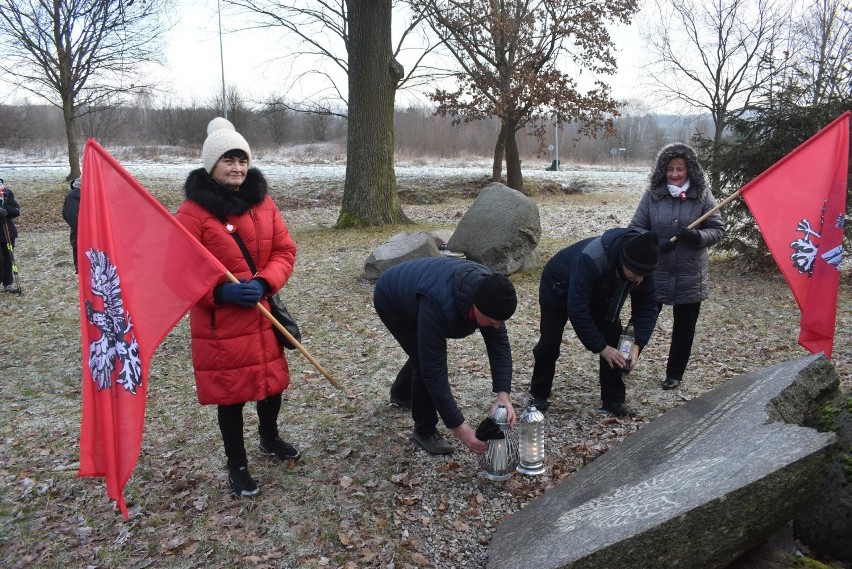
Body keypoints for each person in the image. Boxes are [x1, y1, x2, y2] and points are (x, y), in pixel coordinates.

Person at [175, 117, 300, 498]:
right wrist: (222, 294)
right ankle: (237, 464)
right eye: (228, 160)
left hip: (262, 315)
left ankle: (269, 437)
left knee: (270, 385)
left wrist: (264, 282)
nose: (237, 168)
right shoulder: (191, 214)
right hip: (221, 325)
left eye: (242, 160)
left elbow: (285, 250)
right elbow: (178, 274)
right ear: (211, 165)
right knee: (232, 396)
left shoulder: (263, 203)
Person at [373, 257, 518, 456]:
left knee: (423, 351)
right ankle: (424, 431)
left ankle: (401, 393)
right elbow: (433, 371)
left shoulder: (489, 293)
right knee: (424, 361)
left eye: (501, 321)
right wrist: (461, 429)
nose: (497, 326)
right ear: (476, 307)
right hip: (392, 297)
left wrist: (503, 396)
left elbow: (499, 346)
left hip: (421, 288)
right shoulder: (438, 304)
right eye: (493, 321)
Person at [528, 229, 660, 417]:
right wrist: (601, 347)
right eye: (637, 274)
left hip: (599, 290)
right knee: (550, 341)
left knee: (614, 335)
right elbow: (577, 309)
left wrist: (637, 345)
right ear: (624, 261)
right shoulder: (593, 258)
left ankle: (613, 399)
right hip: (558, 285)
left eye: (645, 276)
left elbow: (647, 307)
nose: (640, 280)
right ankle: (539, 394)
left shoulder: (643, 266)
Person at [628, 143, 725, 390]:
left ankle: (674, 374)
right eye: (670, 169)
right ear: (663, 170)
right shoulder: (652, 195)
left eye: (679, 169)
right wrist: (653, 241)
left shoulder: (702, 195)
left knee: (685, 327)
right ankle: (625, 360)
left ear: (689, 169)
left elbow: (717, 229)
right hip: (654, 272)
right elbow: (635, 227)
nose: (674, 174)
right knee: (642, 319)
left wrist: (698, 238)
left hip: (689, 274)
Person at [0, 178, 21, 293]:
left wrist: (6, 210)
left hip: (8, 232)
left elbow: (16, 211)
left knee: (8, 258)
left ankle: (8, 283)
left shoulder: (7, 194)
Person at [62, 177, 81, 273]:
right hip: (80, 235)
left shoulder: (97, 193)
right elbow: (70, 215)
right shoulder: (73, 195)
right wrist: (85, 229)